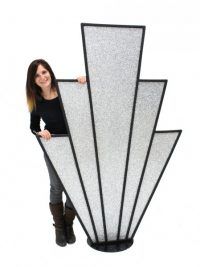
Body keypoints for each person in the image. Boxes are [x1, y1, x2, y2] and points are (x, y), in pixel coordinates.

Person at [26, 59, 86, 247]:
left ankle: (68, 224)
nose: (42, 77)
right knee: (56, 187)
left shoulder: (66, 89)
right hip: (54, 147)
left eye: (44, 72)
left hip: (75, 146)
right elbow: (33, 126)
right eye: (37, 75)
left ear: (50, 72)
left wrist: (84, 83)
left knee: (75, 186)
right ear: (33, 80)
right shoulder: (36, 101)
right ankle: (59, 228)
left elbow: (92, 101)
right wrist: (40, 132)